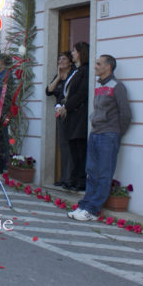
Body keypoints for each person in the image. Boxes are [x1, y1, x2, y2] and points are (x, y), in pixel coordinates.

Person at [68, 55, 132, 221]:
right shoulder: (99, 86)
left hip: (108, 135)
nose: (95, 66)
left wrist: (116, 132)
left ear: (108, 67)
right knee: (91, 172)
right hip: (95, 133)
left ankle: (93, 210)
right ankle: (84, 205)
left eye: (98, 64)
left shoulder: (117, 87)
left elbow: (126, 114)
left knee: (103, 173)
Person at [57, 41, 89, 191]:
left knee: (80, 150)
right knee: (74, 149)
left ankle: (80, 180)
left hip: (79, 116)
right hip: (71, 116)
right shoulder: (76, 71)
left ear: (81, 53)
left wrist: (67, 106)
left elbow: (82, 93)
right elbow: (66, 91)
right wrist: (61, 106)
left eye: (74, 51)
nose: (72, 53)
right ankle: (74, 178)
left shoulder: (85, 70)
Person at [46, 51, 73, 187]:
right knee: (62, 146)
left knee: (69, 147)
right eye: (59, 60)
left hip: (69, 114)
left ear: (70, 62)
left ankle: (69, 178)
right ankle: (63, 177)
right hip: (59, 114)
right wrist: (58, 76)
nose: (60, 62)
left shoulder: (73, 76)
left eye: (63, 59)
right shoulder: (59, 77)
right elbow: (49, 91)